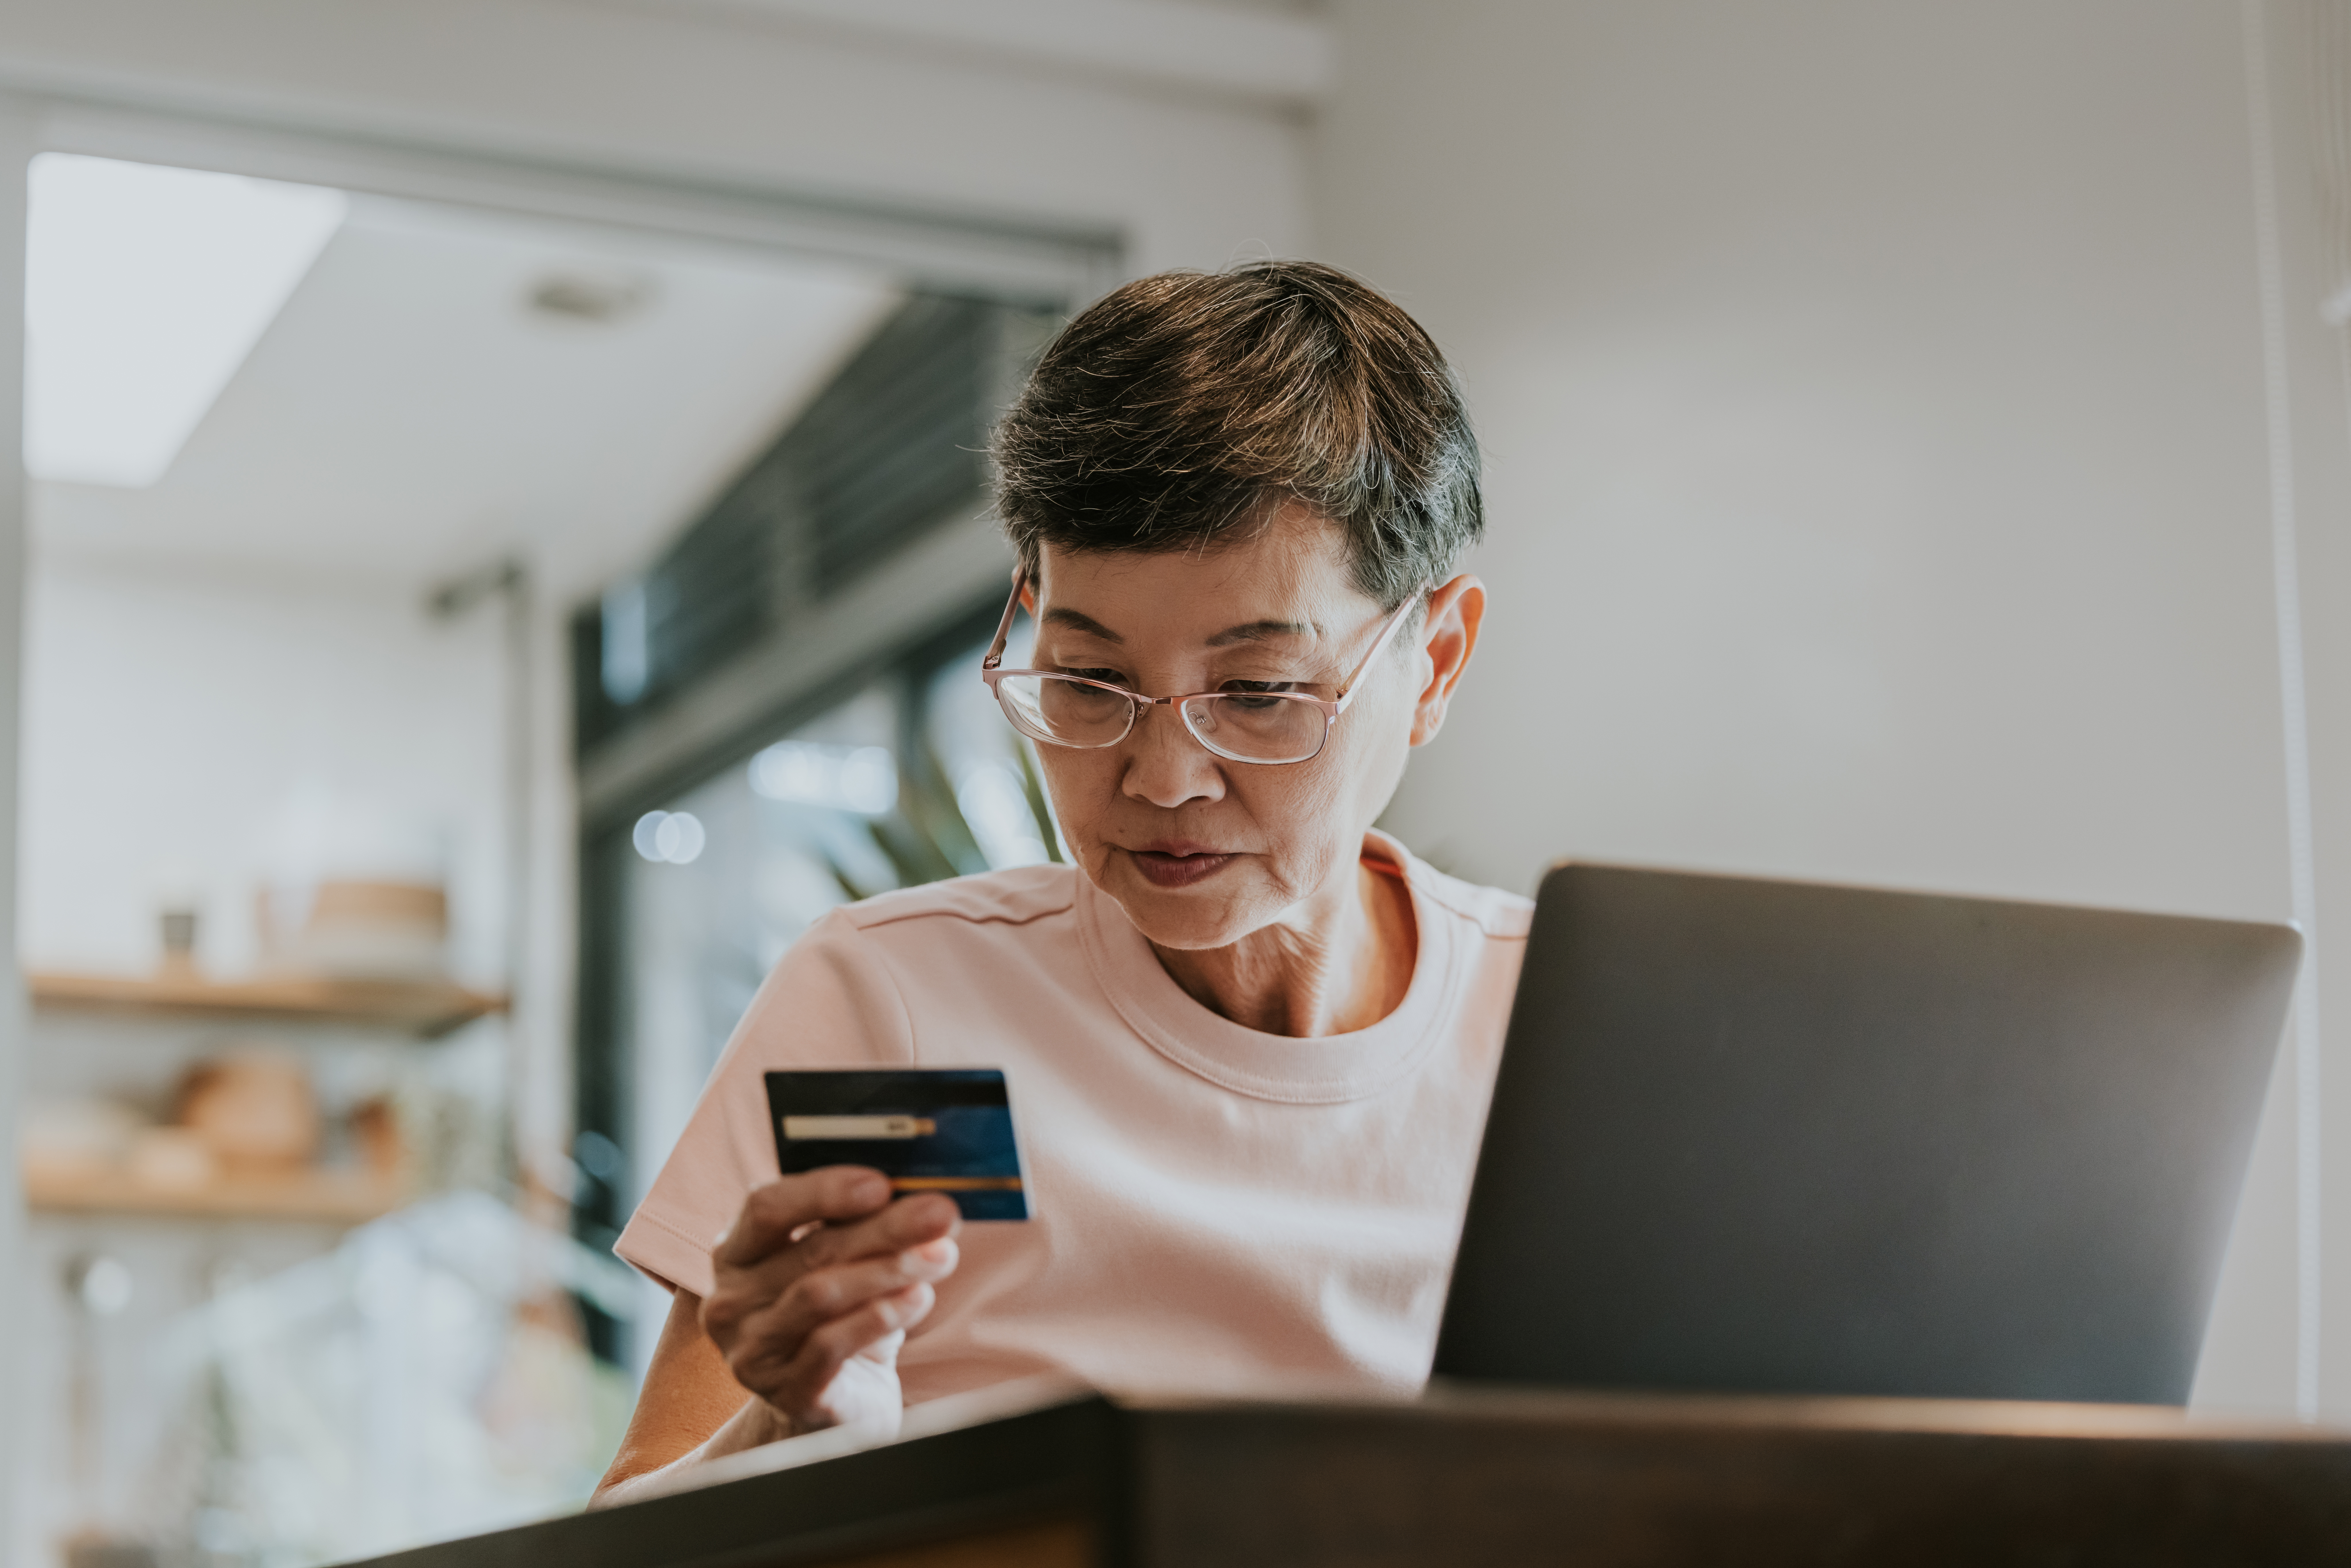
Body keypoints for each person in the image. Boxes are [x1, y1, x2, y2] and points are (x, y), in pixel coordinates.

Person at [593, 260, 1527, 1504]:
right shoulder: (913, 1014)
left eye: (1255, 692)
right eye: (1087, 682)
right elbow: (627, 1533)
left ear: (1437, 660)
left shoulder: (1556, 1032)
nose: (1159, 776)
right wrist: (786, 1425)